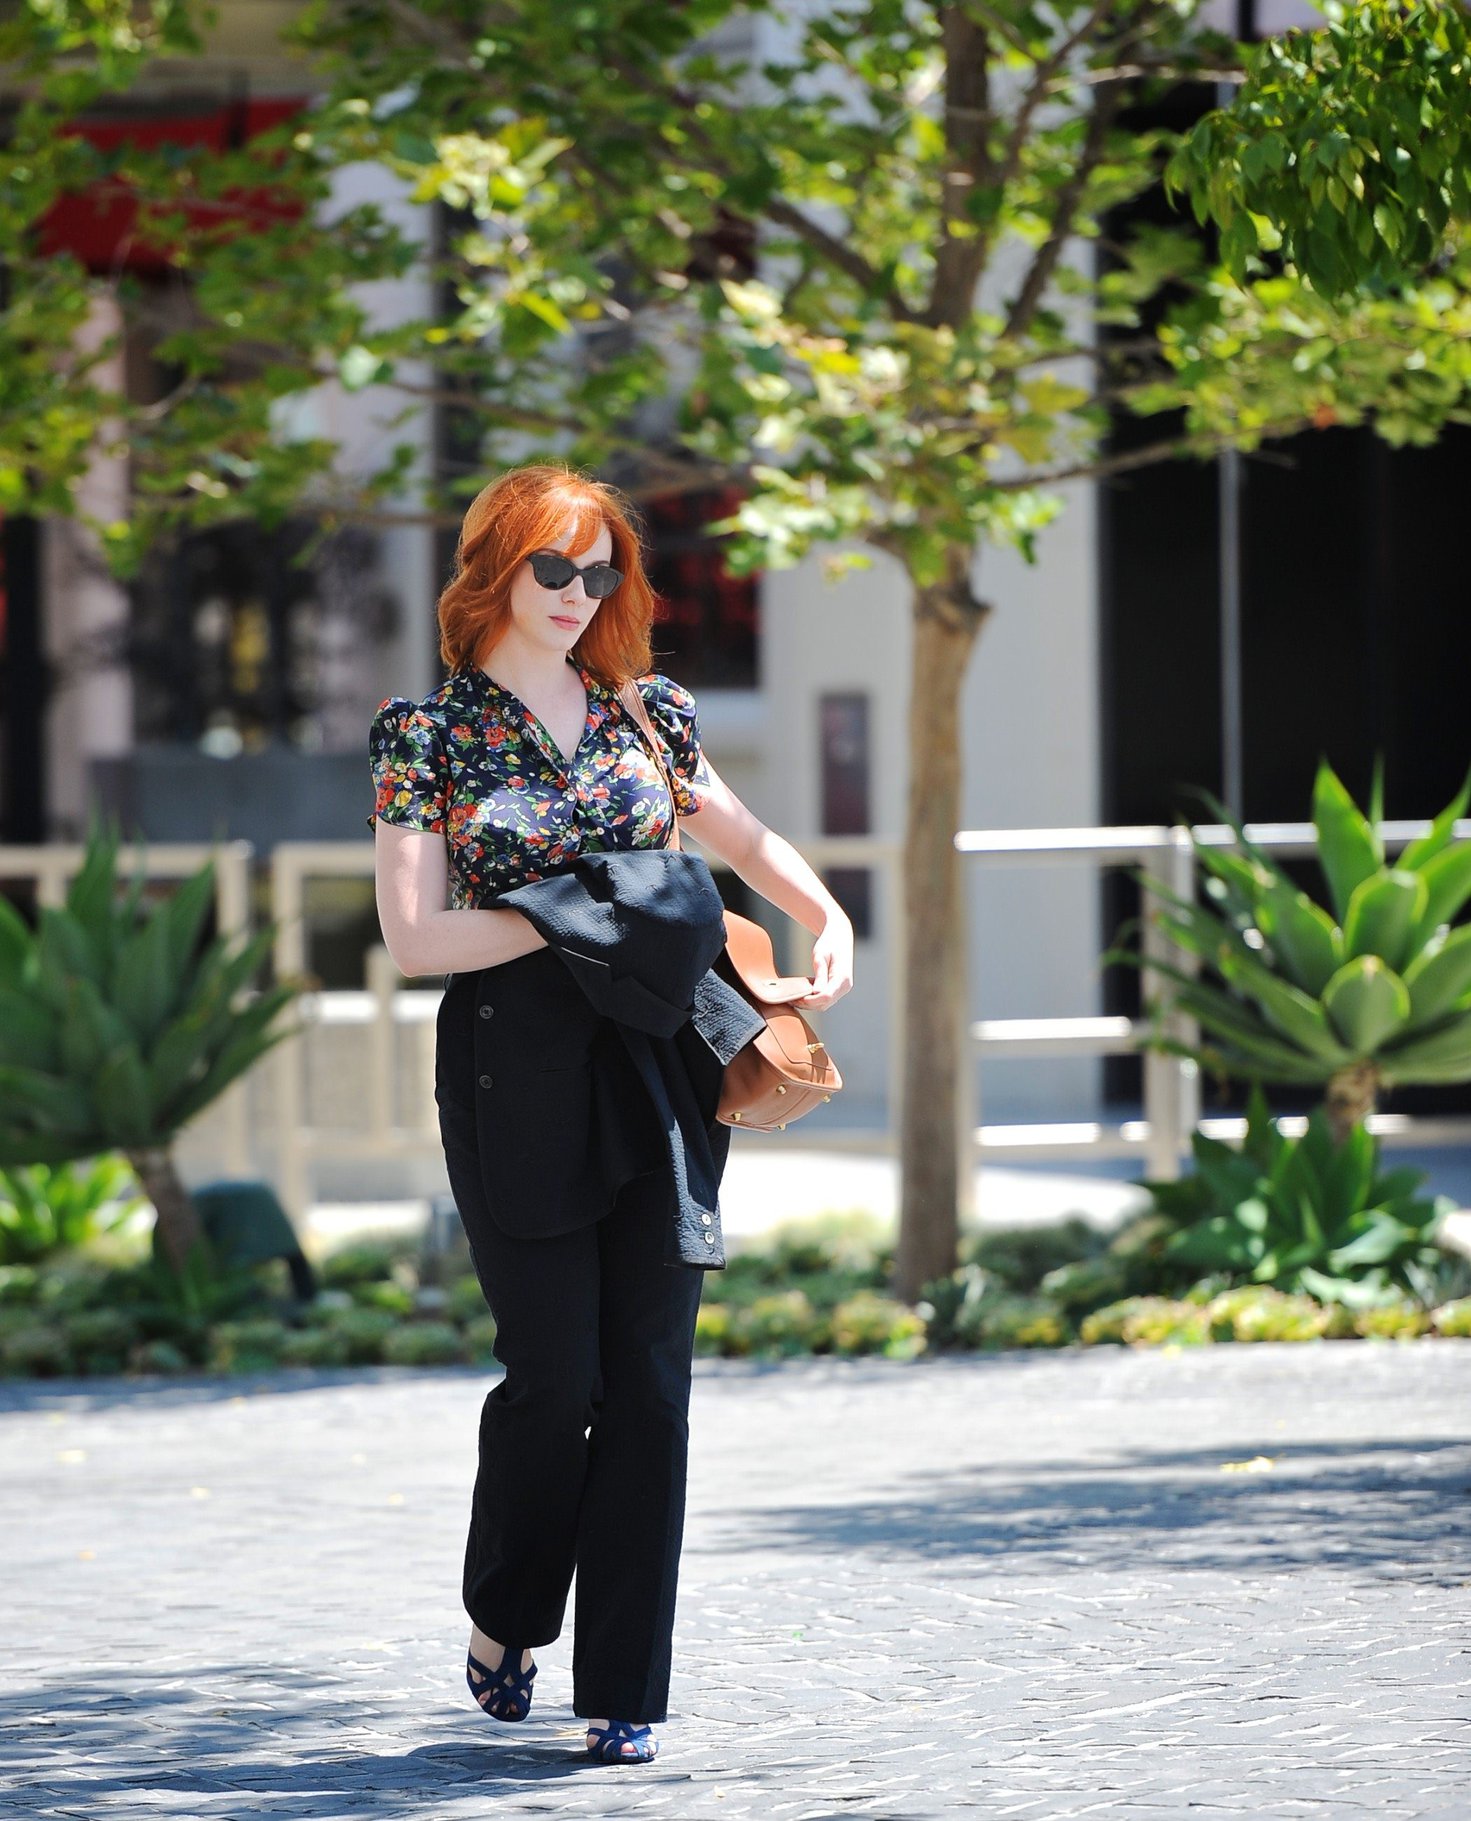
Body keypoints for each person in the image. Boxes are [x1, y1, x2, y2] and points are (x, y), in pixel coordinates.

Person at [369, 461, 854, 1764]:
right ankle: (506, 1615)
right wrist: (562, 919)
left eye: (600, 572)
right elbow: (416, 934)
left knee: (649, 1381)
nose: (581, 594)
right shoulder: (430, 736)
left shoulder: (651, 715)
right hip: (510, 1073)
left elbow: (742, 839)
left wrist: (825, 905)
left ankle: (624, 1685)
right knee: (556, 1378)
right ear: (495, 571)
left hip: (658, 1072)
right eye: (554, 568)